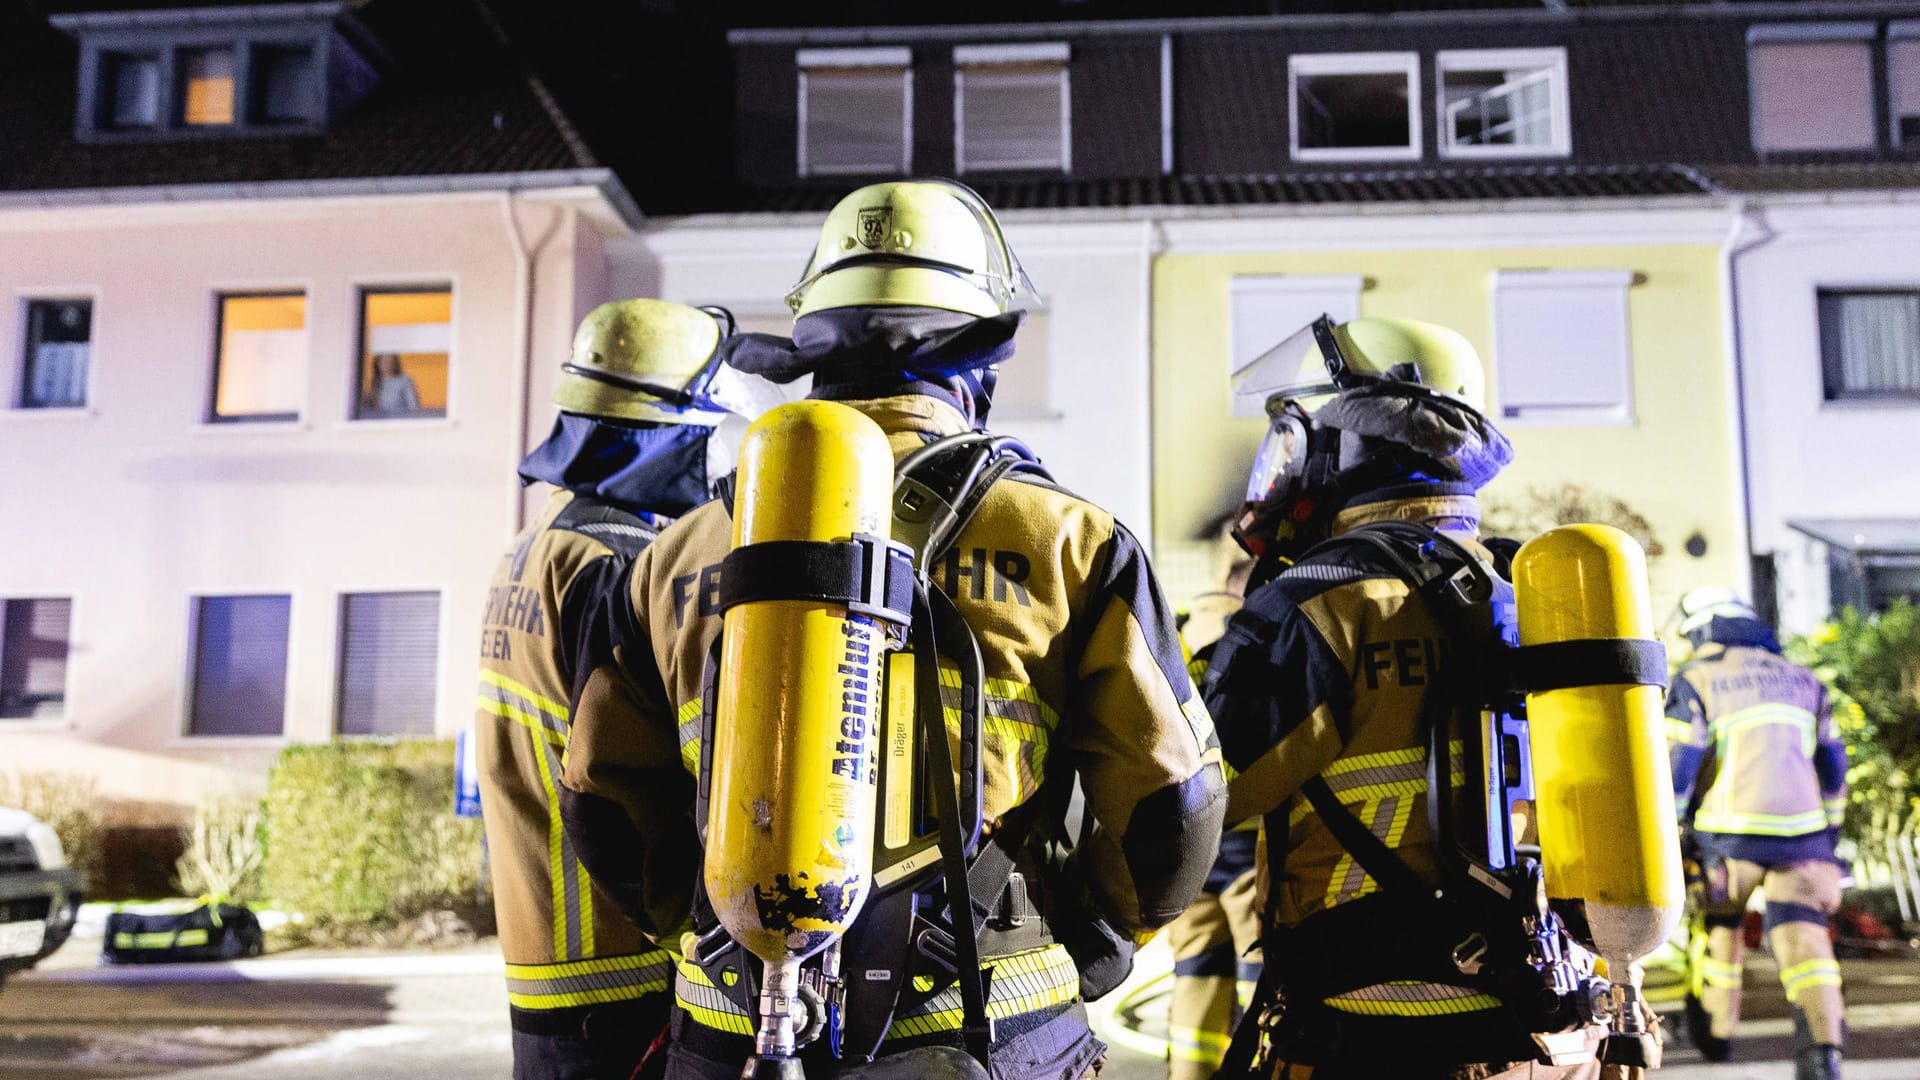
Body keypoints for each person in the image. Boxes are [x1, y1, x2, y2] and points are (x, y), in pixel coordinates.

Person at [559, 178, 1227, 1080]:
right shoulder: (1072, 540)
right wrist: (1079, 942)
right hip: (988, 1029)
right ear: (978, 358)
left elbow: (600, 792)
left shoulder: (671, 554)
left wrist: (718, 930)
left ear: (815, 349)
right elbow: (1175, 801)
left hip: (731, 1036)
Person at [1201, 315, 1618, 1079]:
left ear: (1349, 440)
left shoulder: (1317, 601)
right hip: (1544, 1027)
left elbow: (1195, 791)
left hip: (1368, 1023)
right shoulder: (1535, 590)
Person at [476, 299, 741, 1080]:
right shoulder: (615, 564)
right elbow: (625, 768)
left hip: (547, 967)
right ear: (673, 434)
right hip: (620, 967)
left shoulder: (540, 544)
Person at [1667, 588, 1847, 1080]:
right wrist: (1830, 833)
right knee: (1807, 945)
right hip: (1804, 840)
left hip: (1729, 841)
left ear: (1702, 630)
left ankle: (1716, 1039)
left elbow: (1680, 765)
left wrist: (1675, 830)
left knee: (1718, 931)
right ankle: (1821, 1053)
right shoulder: (1804, 680)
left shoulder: (1699, 678)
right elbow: (1832, 764)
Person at [1166, 524, 1262, 1080]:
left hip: (1189, 848)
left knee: (1195, 975)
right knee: (1260, 979)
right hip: (1250, 845)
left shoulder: (1175, 635)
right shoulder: (1262, 636)